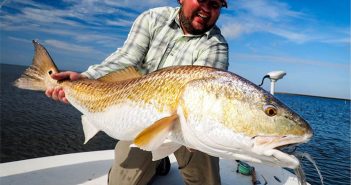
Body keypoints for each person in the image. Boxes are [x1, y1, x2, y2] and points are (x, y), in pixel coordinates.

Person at [46, 0, 229, 184]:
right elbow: (126, 59)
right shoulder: (153, 18)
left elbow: (202, 94)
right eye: (202, 0)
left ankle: (165, 158)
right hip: (140, 119)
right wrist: (85, 77)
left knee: (206, 171)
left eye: (215, 5)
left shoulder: (216, 45)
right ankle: (158, 162)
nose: (206, 9)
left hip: (184, 120)